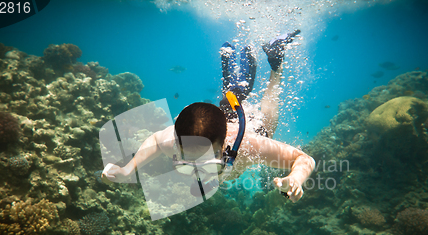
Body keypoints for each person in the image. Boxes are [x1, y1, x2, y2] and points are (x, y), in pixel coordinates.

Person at [102, 30, 315, 203]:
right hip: (221, 118)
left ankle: (275, 62)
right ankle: (232, 63)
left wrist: (295, 178)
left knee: (268, 123)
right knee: (231, 98)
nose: (196, 168)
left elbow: (304, 159)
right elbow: (156, 141)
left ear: (224, 147)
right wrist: (126, 170)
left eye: (207, 163)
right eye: (187, 161)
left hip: (245, 126)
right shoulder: (173, 141)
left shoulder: (248, 146)